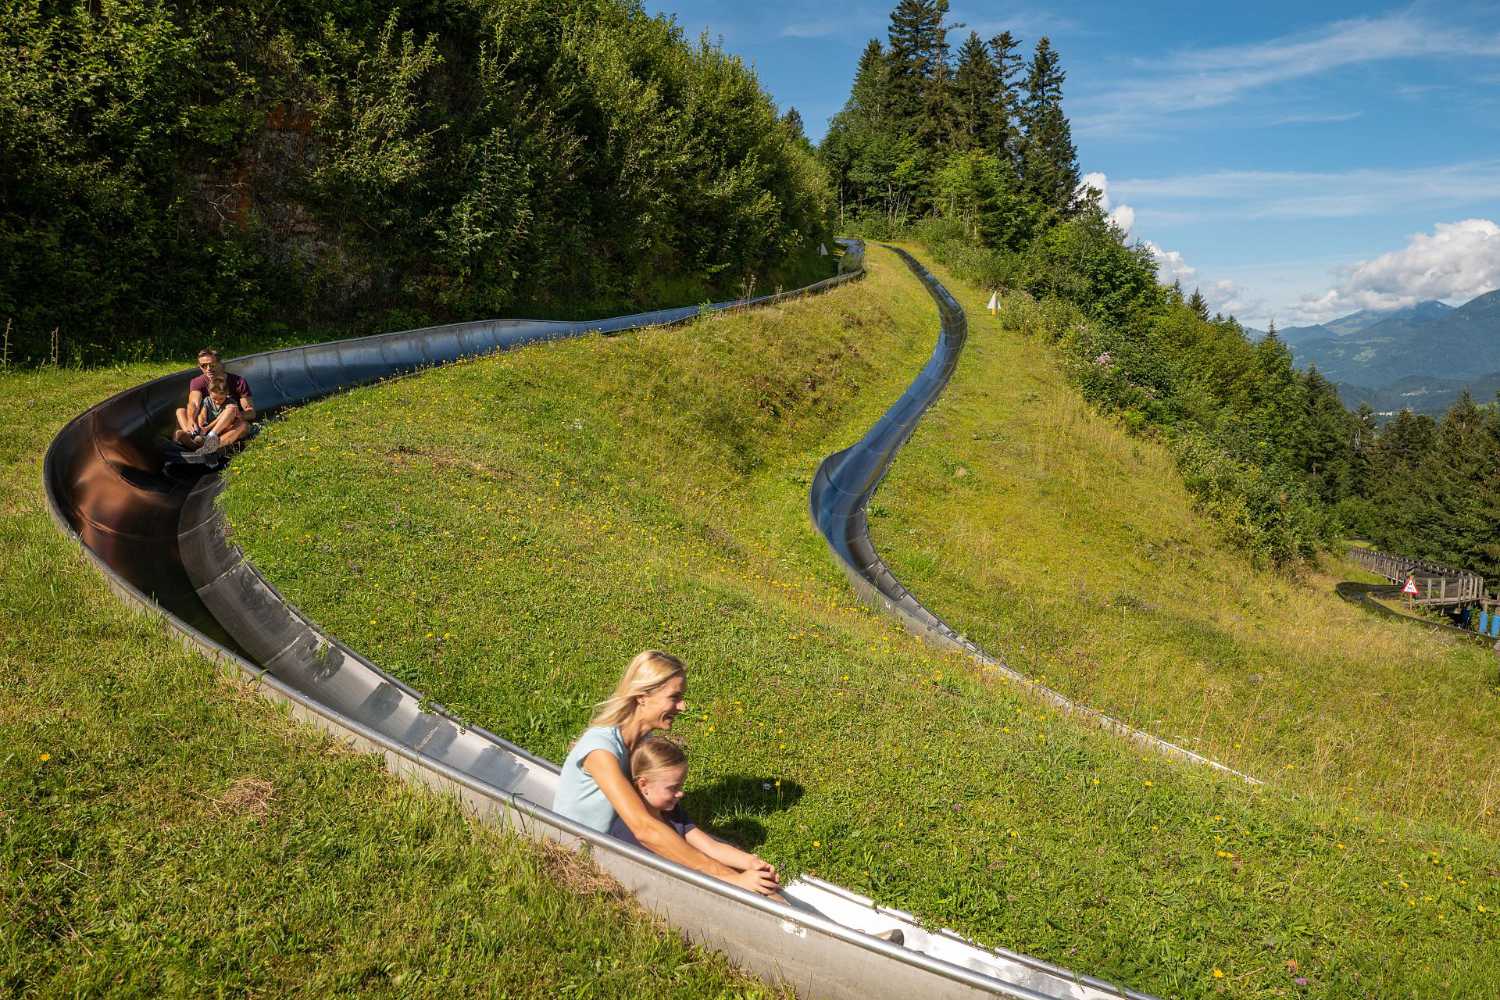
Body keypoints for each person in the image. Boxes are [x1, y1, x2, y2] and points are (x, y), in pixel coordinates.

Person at [552, 650, 781, 897]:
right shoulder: (601, 750)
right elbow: (644, 828)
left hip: (618, 845)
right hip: (578, 854)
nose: (682, 706)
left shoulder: (642, 745)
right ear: (642, 697)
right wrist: (727, 878)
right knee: (717, 873)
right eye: (674, 697)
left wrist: (743, 863)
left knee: (722, 861)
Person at [609, 736, 778, 883]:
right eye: (673, 788)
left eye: (681, 786)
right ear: (643, 784)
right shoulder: (627, 831)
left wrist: (751, 862)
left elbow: (711, 847)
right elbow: (680, 877)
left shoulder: (672, 813)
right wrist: (737, 881)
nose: (681, 793)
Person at [173, 347, 255, 457]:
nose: (208, 369)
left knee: (243, 425)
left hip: (228, 426)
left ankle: (211, 447)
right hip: (205, 426)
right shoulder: (198, 382)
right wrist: (192, 419)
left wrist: (234, 414)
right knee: (181, 411)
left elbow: (251, 412)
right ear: (199, 366)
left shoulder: (238, 382)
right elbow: (194, 403)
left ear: (220, 364)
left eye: (212, 365)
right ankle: (194, 437)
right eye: (204, 366)